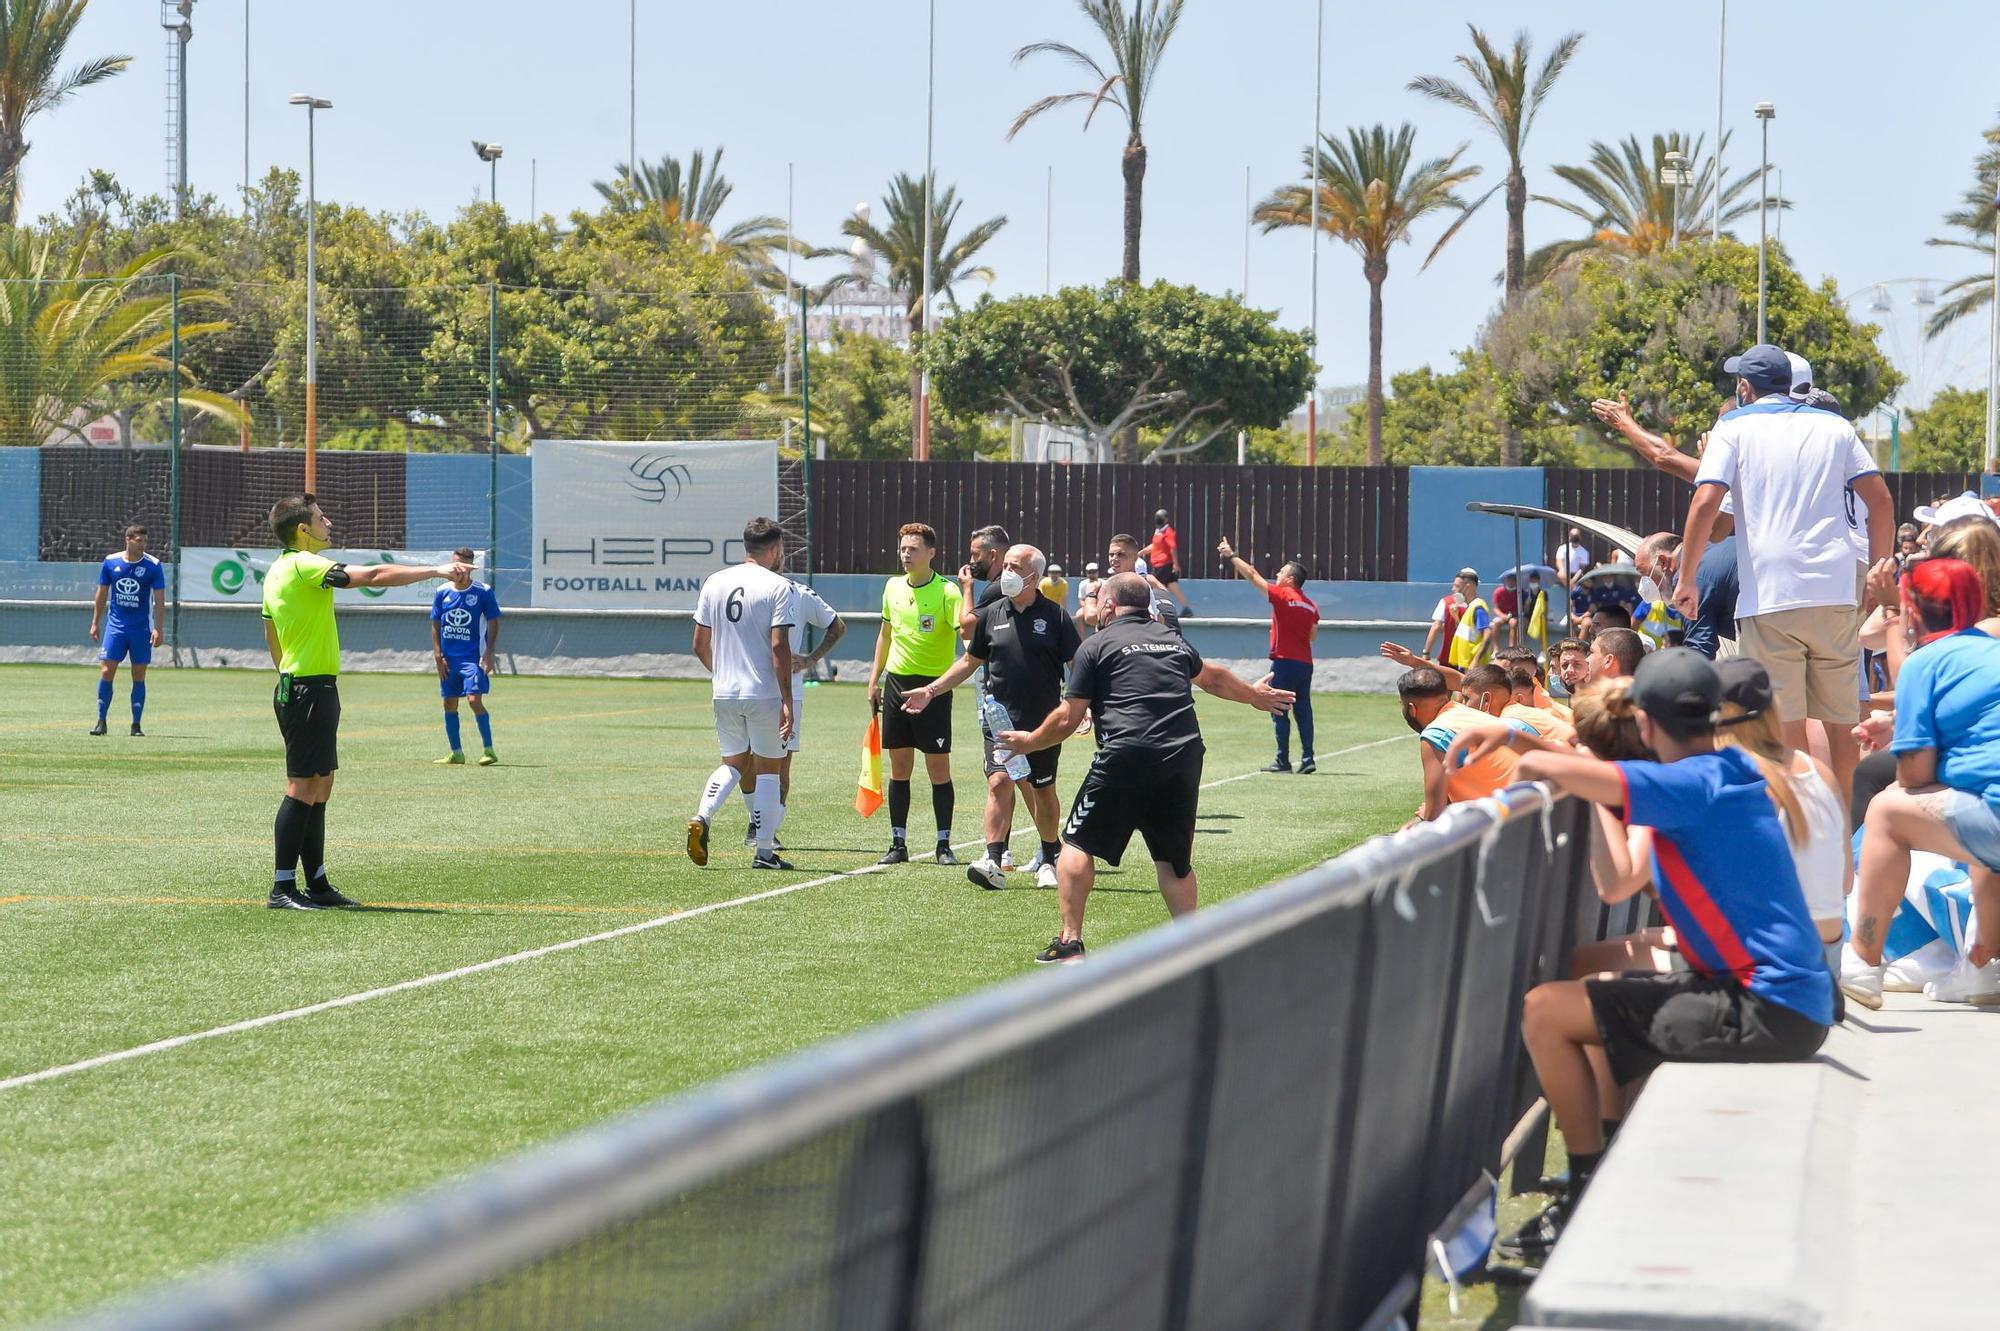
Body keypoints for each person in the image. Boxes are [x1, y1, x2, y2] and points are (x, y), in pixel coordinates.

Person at [1496, 649, 1833, 1262]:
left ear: (1646, 725)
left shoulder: (1691, 785)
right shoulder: (1725, 767)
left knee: (1546, 1010)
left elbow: (1577, 772)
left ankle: (1583, 1195)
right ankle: (1595, 1176)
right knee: (1584, 1000)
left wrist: (1510, 733)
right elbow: (1593, 775)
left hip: (1764, 1007)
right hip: (1783, 1000)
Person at [994, 573, 1295, 964]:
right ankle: (1191, 945)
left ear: (1107, 605)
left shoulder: (1096, 645)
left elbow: (1070, 718)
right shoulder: (1171, 639)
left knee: (1077, 843)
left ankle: (1070, 941)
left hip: (1127, 754)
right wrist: (1253, 696)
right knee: (1173, 860)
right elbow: (1213, 677)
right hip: (1184, 755)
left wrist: (1030, 741)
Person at [1673, 343, 1894, 803]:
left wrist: (1687, 577)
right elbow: (1881, 502)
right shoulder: (1835, 425)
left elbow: (1706, 502)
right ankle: (1847, 838)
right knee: (1841, 726)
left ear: (1745, 387)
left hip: (1770, 596)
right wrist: (1878, 571)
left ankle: (1801, 832)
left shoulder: (1733, 425)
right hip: (1835, 589)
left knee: (1785, 729)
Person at [261, 494, 469, 910]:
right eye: (321, 518)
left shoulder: (278, 571)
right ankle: (282, 889)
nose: (329, 523)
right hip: (305, 689)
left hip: (312, 687)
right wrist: (437, 570)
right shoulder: (302, 563)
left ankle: (316, 884)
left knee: (321, 785)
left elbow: (271, 632)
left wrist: (287, 672)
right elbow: (372, 575)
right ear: (303, 529)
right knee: (302, 786)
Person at [1841, 558, 2000, 1007]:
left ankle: (1863, 963)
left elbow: (1913, 776)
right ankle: (1983, 965)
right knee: (1985, 849)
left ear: (1910, 608)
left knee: (1887, 811)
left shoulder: (1924, 662)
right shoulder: (1992, 647)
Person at [899, 544, 1079, 892]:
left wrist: (1080, 708)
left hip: (1044, 724)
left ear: (1034, 577)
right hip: (999, 720)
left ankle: (1048, 855)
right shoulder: (993, 613)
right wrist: (931, 690)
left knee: (1043, 791)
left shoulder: (1056, 618)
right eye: (1007, 564)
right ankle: (992, 860)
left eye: (1015, 566)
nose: (1007, 572)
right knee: (999, 782)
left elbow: (1078, 664)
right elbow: (969, 663)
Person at [1712, 658, 1850, 968]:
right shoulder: (1819, 771)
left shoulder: (1736, 777)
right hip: (1827, 961)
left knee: (1598, 960)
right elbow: (1845, 884)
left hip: (1774, 963)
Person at [687, 518, 797, 871]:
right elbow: (779, 646)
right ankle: (764, 853)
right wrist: (787, 699)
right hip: (762, 691)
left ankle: (702, 816)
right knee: (768, 769)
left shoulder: (715, 582)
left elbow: (698, 644)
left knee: (733, 764)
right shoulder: (777, 586)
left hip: (725, 691)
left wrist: (721, 674)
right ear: (775, 548)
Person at [867, 522, 964, 866]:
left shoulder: (948, 592)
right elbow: (885, 634)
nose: (906, 554)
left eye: (913, 549)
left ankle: (943, 845)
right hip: (896, 685)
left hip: (932, 688)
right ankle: (898, 843)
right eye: (903, 548)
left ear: (931, 553)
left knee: (938, 769)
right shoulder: (892, 587)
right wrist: (874, 679)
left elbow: (964, 636)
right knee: (900, 768)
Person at [1218, 537, 1319, 774]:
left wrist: (1231, 555)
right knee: (1303, 710)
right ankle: (1308, 759)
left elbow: (1253, 575)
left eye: (1282, 572)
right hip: (1305, 664)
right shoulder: (1312, 605)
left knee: (1278, 708)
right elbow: (1312, 636)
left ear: (1290, 580)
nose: (1277, 574)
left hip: (1284, 662)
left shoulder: (1283, 597)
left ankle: (1283, 760)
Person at [760, 577, 845, 843]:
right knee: (747, 760)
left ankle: (768, 830)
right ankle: (757, 822)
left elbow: (837, 626)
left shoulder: (798, 592)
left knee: (781, 762)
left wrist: (811, 659)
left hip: (789, 691)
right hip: (752, 688)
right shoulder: (744, 586)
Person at [1396, 665, 1526, 821]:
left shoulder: (1436, 733)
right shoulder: (1465, 712)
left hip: (1510, 818)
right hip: (1532, 803)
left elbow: (1434, 815)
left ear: (1411, 709)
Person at [88, 523, 168, 737]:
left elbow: (160, 600)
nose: (143, 544)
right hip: (116, 627)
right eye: (139, 540)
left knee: (139, 674)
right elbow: (102, 593)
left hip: (141, 629)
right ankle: (101, 721)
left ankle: (136, 725)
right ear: (128, 540)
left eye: (145, 541)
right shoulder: (111, 562)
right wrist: (95, 622)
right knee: (107, 670)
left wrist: (158, 628)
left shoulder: (153, 566)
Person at [429, 547, 503, 766]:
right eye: (454, 565)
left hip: (473, 658)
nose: (456, 569)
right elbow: (436, 623)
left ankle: (489, 750)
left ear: (470, 567)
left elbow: (494, 621)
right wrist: (438, 655)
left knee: (474, 700)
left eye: (461, 565)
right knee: (449, 704)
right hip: (448, 660)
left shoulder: (483, 591)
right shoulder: (442, 591)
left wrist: (489, 653)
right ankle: (456, 753)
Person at [1634, 531, 1737, 659]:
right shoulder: (1709, 549)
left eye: (1643, 572)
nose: (1643, 583)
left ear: (1663, 562)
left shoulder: (1686, 577)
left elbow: (1699, 650)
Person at [1096, 532, 1180, 631]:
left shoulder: (1140, 586)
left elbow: (1156, 619)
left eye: (1120, 554)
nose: (1114, 558)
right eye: (1111, 554)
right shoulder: (1106, 586)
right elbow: (1099, 624)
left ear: (1135, 557)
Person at [956, 524, 1011, 639]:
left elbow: (967, 631)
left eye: (975, 555)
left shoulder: (998, 588)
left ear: (993, 555)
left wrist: (967, 588)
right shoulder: (1011, 582)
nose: (971, 561)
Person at [1146, 509, 1194, 615]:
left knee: (1152, 582)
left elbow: (1172, 547)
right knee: (1173, 585)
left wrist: (1175, 564)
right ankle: (1186, 608)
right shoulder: (1158, 531)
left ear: (1166, 519)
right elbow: (1154, 546)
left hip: (1163, 565)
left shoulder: (1168, 532)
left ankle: (1156, 608)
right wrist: (1141, 552)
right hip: (1161, 564)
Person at [1423, 569, 1475, 665]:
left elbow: (1436, 627)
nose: (1453, 589)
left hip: (1459, 657)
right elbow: (1436, 626)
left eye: (1457, 586)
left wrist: (1426, 652)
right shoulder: (1477, 605)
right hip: (1464, 658)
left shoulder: (1447, 602)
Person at [1447, 571, 1495, 669]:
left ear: (1468, 587)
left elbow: (1487, 635)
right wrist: (1456, 618)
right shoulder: (1470, 607)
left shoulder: (1478, 608)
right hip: (1464, 664)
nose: (1453, 589)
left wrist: (1475, 661)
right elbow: (1468, 634)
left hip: (1473, 667)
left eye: (1457, 586)